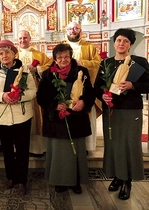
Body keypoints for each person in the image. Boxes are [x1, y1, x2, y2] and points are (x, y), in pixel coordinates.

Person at [94, 28, 149, 200]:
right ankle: (117, 177)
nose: (121, 44)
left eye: (125, 41)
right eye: (119, 40)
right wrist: (102, 95)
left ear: (131, 44)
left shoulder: (139, 62)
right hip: (111, 111)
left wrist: (132, 86)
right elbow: (97, 86)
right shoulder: (106, 63)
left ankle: (127, 181)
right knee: (113, 145)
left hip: (130, 110)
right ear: (114, 42)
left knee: (129, 145)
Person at [37, 43, 95, 194]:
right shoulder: (47, 74)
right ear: (55, 59)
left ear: (71, 57)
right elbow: (41, 97)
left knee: (76, 150)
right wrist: (54, 106)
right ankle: (59, 181)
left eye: (66, 57)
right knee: (59, 152)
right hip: (57, 121)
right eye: (60, 57)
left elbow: (90, 93)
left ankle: (76, 181)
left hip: (77, 119)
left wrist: (83, 102)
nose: (63, 60)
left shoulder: (82, 71)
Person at [0, 40, 37, 195]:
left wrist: (19, 97)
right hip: (2, 117)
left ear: (14, 54)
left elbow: (33, 91)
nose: (4, 55)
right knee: (7, 149)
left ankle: (22, 180)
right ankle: (10, 177)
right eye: (1, 53)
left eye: (7, 52)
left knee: (22, 149)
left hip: (22, 116)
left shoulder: (25, 71)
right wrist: (3, 96)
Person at [64, 21, 102, 153]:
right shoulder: (62, 47)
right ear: (66, 31)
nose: (72, 31)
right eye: (69, 29)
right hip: (66, 88)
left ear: (80, 30)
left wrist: (82, 63)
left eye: (75, 28)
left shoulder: (89, 47)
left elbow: (98, 63)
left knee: (85, 113)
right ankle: (68, 142)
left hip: (85, 88)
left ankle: (86, 146)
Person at [17, 30, 53, 156]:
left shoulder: (39, 54)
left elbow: (49, 66)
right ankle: (21, 148)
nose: (23, 40)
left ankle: (38, 148)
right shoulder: (14, 55)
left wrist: (37, 68)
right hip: (19, 91)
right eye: (20, 38)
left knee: (37, 118)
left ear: (30, 38)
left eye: (25, 38)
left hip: (36, 89)